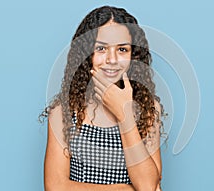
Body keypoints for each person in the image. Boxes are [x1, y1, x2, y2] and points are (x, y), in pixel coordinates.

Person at [40, 5, 164, 191]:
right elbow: (55, 186)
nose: (112, 59)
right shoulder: (64, 112)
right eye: (101, 48)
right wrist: (123, 189)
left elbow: (147, 186)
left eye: (122, 49)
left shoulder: (148, 109)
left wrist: (124, 115)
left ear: (133, 55)